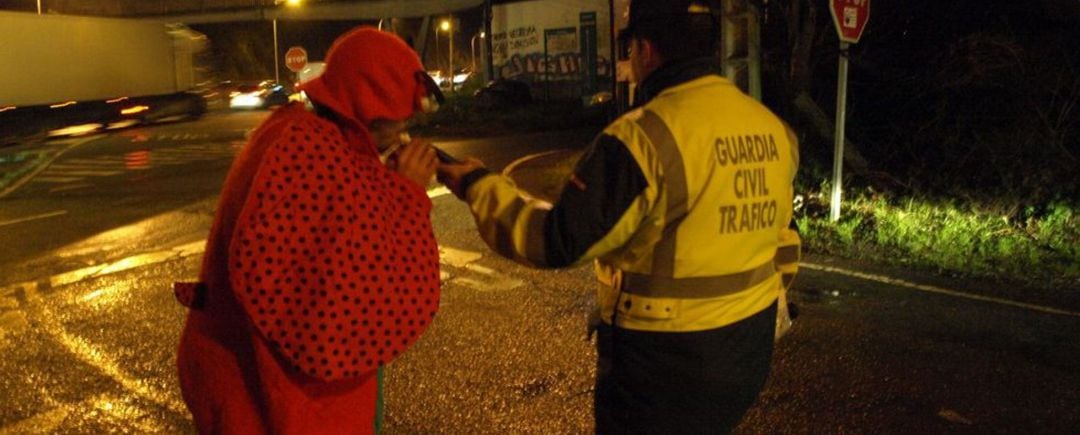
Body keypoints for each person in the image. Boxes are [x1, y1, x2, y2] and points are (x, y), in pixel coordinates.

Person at [437, 0, 800, 432]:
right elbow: (787, 240)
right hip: (748, 351)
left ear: (644, 50)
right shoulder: (770, 127)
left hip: (663, 367)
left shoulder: (642, 138)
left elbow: (554, 240)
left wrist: (478, 185)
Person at [173, 27, 444, 434]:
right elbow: (356, 279)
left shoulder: (295, 130)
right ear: (368, 107)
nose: (403, 133)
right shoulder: (313, 153)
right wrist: (405, 191)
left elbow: (341, 214)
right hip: (280, 401)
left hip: (237, 378)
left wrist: (380, 173)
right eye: (396, 122)